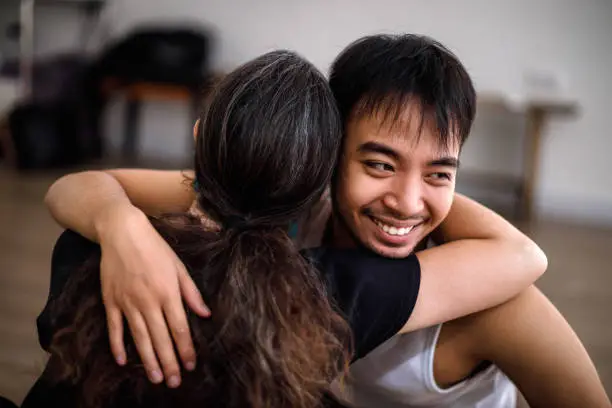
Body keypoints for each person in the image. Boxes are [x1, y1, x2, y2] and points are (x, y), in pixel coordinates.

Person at [44, 35, 608, 406]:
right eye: (380, 164)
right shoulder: (288, 208)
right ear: (328, 154)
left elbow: (528, 261)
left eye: (440, 172)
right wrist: (122, 227)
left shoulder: (494, 297)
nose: (407, 202)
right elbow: (79, 187)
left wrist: (414, 183)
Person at [24, 50, 423, 408]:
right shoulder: (340, 290)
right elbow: (489, 255)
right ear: (323, 183)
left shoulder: (87, 252)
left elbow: (76, 187)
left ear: (200, 138)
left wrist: (120, 224)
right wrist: (418, 172)